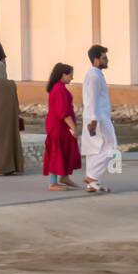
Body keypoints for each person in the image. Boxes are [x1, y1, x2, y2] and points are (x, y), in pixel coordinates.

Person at [81, 45, 117, 193]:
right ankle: (92, 176)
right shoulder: (95, 75)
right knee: (112, 147)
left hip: (94, 117)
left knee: (95, 150)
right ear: (96, 60)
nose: (107, 60)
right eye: (104, 58)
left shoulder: (94, 74)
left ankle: (93, 184)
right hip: (98, 118)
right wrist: (94, 120)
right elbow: (93, 99)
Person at [43, 63, 81, 191]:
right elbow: (62, 112)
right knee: (56, 151)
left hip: (62, 127)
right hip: (58, 127)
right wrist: (73, 128)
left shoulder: (60, 88)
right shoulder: (59, 89)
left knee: (65, 150)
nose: (72, 77)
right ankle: (53, 183)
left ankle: (64, 177)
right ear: (63, 74)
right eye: (70, 75)